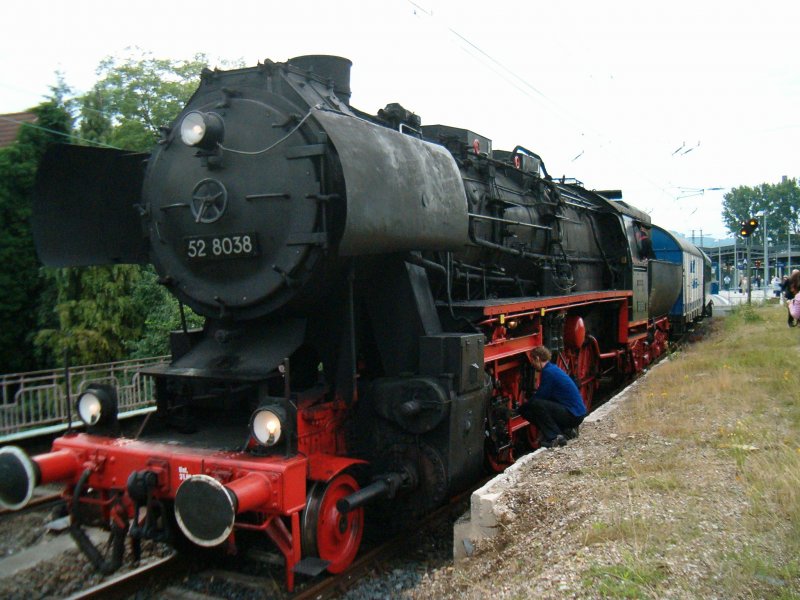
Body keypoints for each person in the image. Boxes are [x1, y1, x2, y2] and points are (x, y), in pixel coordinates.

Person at [519, 345, 587, 447]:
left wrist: (521, 408)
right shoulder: (553, 369)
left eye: (532, 361)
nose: (532, 365)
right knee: (536, 405)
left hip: (573, 415)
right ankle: (566, 431)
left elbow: (540, 397)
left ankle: (556, 437)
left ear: (537, 358)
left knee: (535, 405)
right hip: (577, 413)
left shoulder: (548, 373)